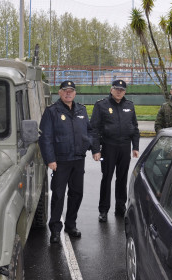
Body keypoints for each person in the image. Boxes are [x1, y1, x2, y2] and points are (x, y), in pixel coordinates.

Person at [39, 80, 96, 244]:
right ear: (60, 92)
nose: (68, 93)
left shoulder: (81, 110)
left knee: (76, 194)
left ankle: (71, 225)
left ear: (75, 93)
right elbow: (45, 138)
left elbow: (90, 130)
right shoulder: (52, 111)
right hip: (60, 161)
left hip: (78, 159)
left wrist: (88, 144)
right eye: (65, 91)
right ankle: (55, 230)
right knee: (58, 195)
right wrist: (50, 159)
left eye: (71, 91)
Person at [90, 79, 140, 222]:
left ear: (125, 91)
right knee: (107, 178)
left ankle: (120, 207)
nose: (119, 92)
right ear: (111, 90)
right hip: (108, 147)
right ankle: (103, 210)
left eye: (122, 90)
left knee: (122, 178)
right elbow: (94, 129)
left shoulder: (129, 106)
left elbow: (135, 128)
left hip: (124, 147)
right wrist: (96, 149)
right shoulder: (101, 105)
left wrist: (135, 146)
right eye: (116, 89)